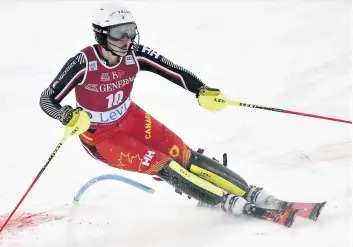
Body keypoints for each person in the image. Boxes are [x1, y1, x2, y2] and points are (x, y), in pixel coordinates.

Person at [39, 2, 284, 220]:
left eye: (130, 30)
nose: (126, 39)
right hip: (99, 136)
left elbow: (174, 71)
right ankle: (227, 202)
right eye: (118, 33)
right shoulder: (83, 62)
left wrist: (202, 90)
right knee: (164, 165)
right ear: (102, 35)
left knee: (184, 155)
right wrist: (65, 115)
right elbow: (47, 99)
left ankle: (248, 191)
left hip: (129, 116)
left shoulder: (135, 54)